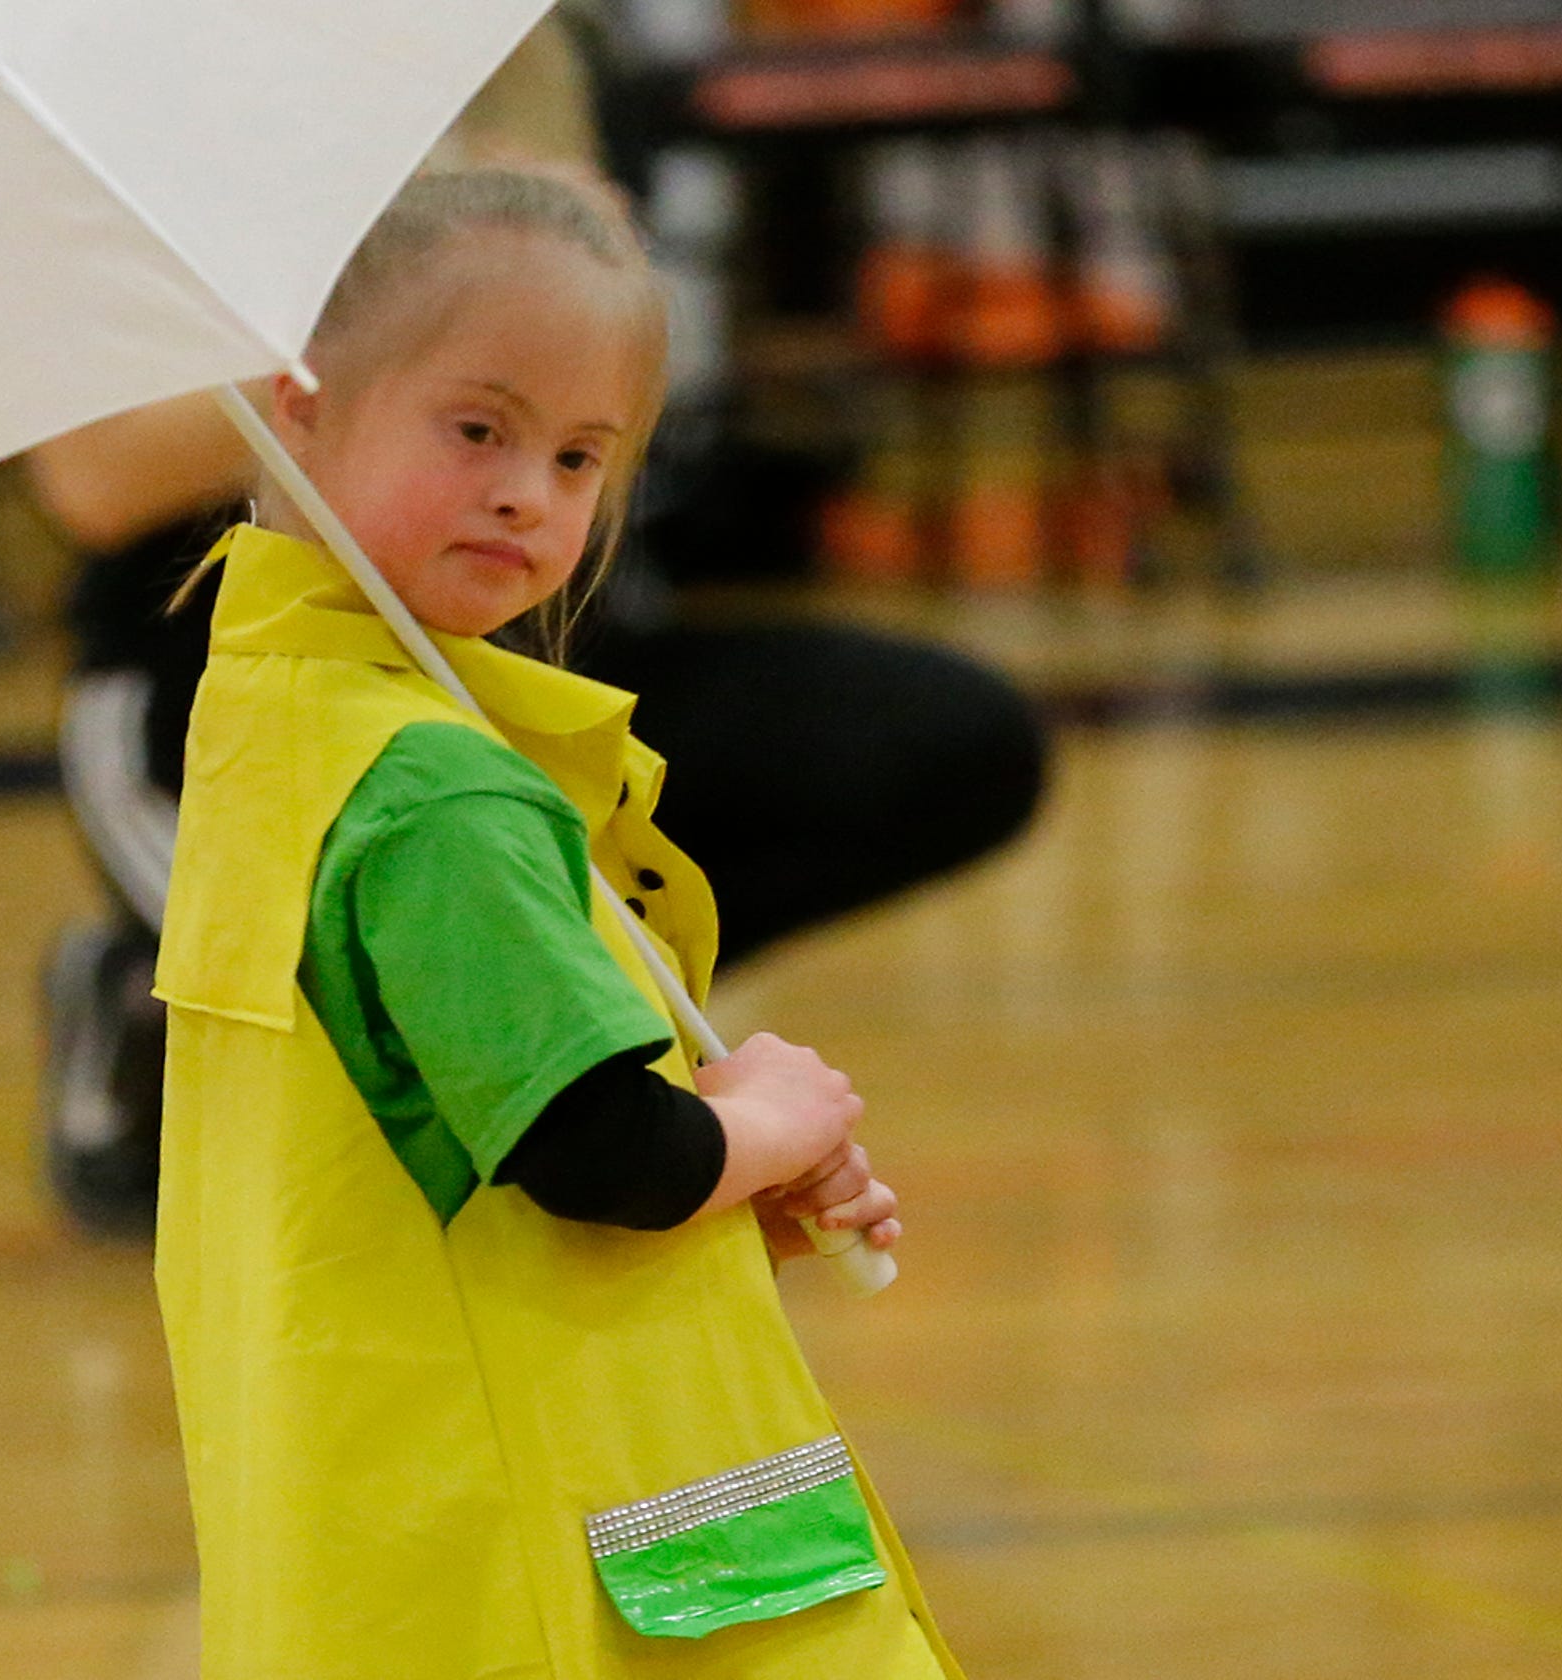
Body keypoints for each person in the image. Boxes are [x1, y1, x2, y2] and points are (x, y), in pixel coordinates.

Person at [34, 17, 1043, 1238]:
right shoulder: (155, 83)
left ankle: (573, 1022)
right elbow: (90, 479)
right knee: (368, 1010)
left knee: (948, 738)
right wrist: (402, 331)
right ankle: (146, 997)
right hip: (221, 693)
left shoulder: (538, 48)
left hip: (524, 663)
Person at [154, 168, 964, 1678]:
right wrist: (763, 1122)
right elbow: (604, 1157)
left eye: (581, 456)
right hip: (572, 1570)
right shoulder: (433, 789)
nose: (529, 492)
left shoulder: (267, 719)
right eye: (478, 430)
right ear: (299, 405)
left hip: (394, 1544)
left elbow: (443, 1155)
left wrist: (733, 1180)